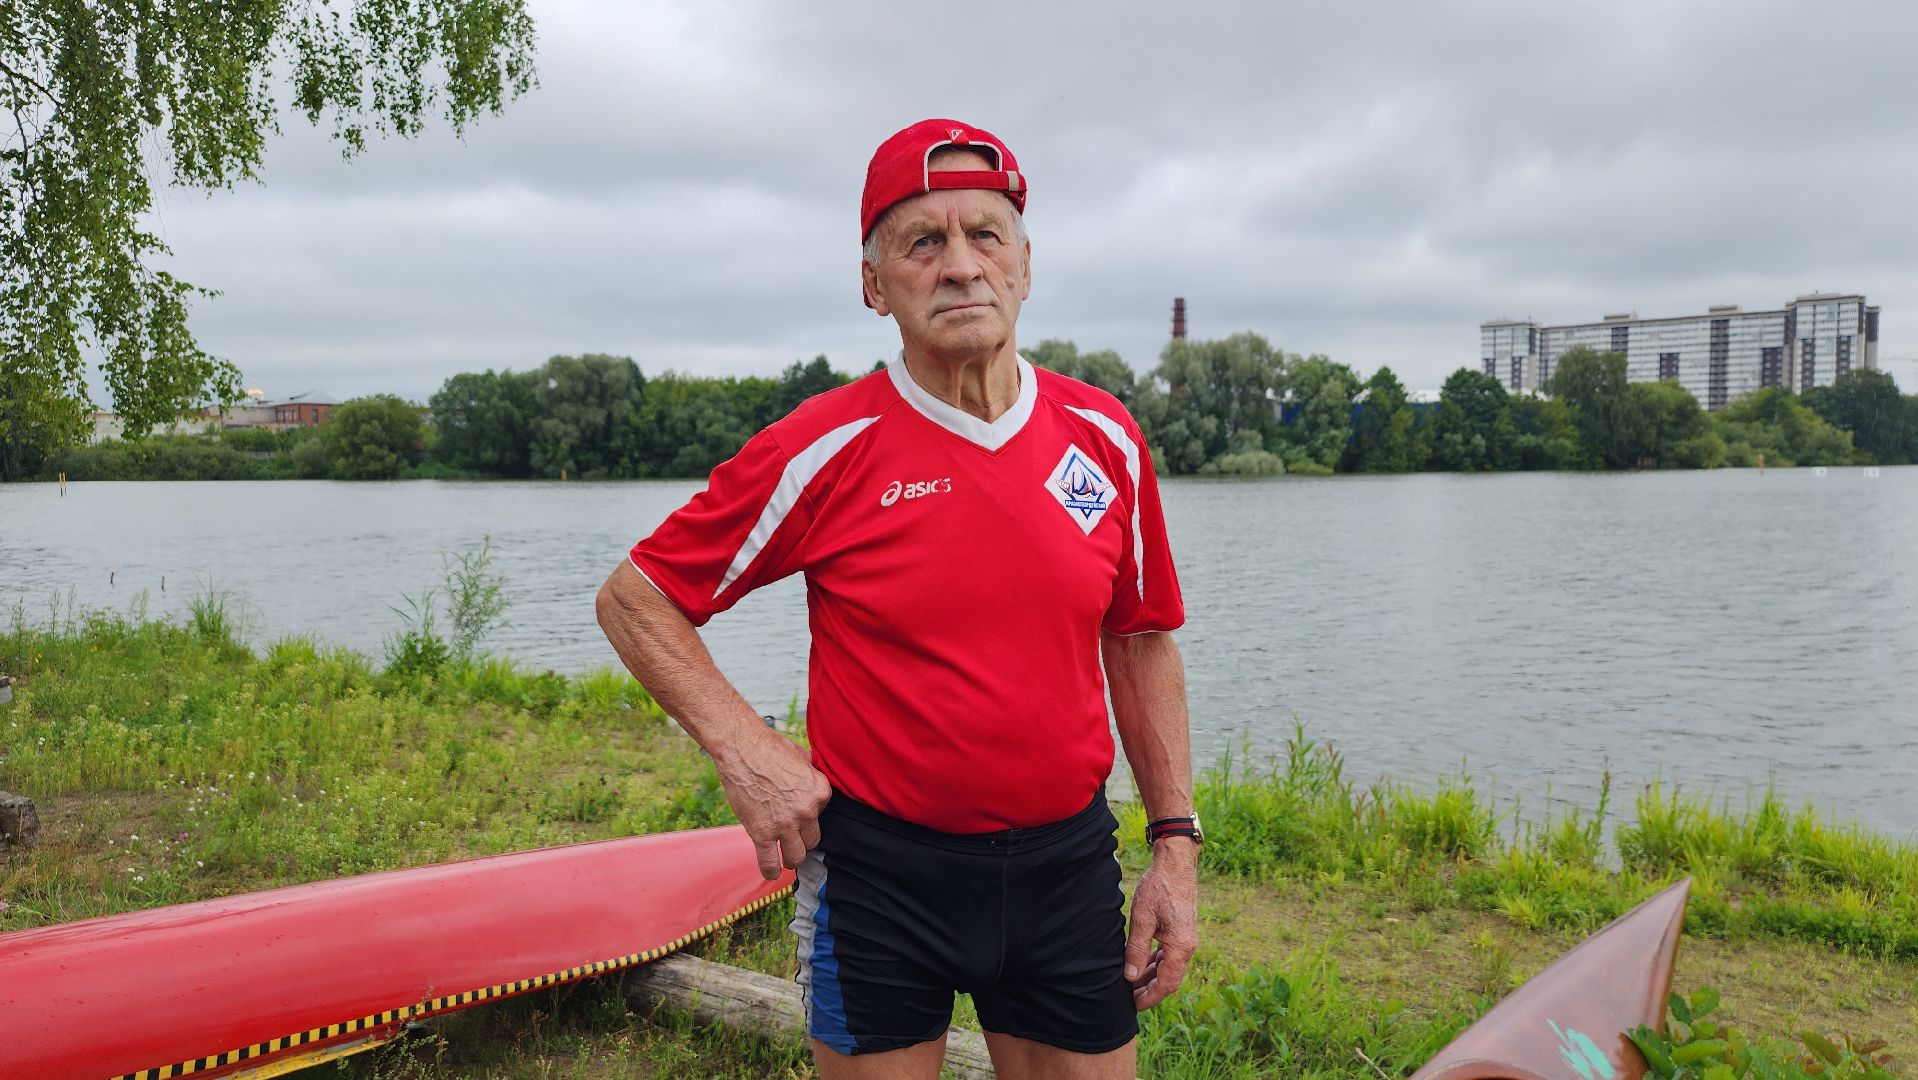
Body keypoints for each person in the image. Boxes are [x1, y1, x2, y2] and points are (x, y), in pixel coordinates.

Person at [596, 118, 1198, 1080]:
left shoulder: (1105, 438)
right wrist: (749, 751)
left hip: (1064, 871)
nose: (961, 266)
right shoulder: (823, 448)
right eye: (924, 242)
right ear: (876, 285)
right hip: (879, 879)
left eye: (984, 236)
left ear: (1026, 265)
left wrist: (1175, 845)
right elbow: (638, 598)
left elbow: (1141, 641)